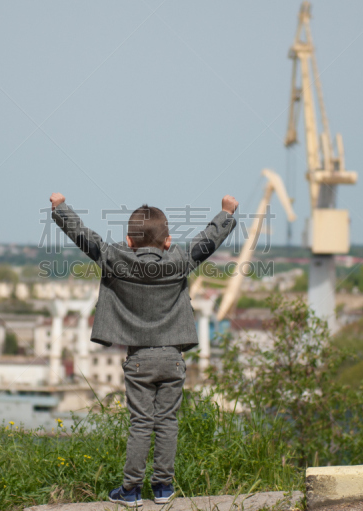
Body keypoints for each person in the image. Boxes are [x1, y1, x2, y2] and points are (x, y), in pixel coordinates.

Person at [50, 192, 238, 507]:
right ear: (168, 241)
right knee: (167, 421)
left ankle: (131, 491)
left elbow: (84, 237)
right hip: (173, 358)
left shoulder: (115, 259)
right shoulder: (179, 260)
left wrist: (60, 209)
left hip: (139, 359)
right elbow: (207, 242)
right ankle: (163, 488)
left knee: (141, 422)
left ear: (128, 240)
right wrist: (226, 214)